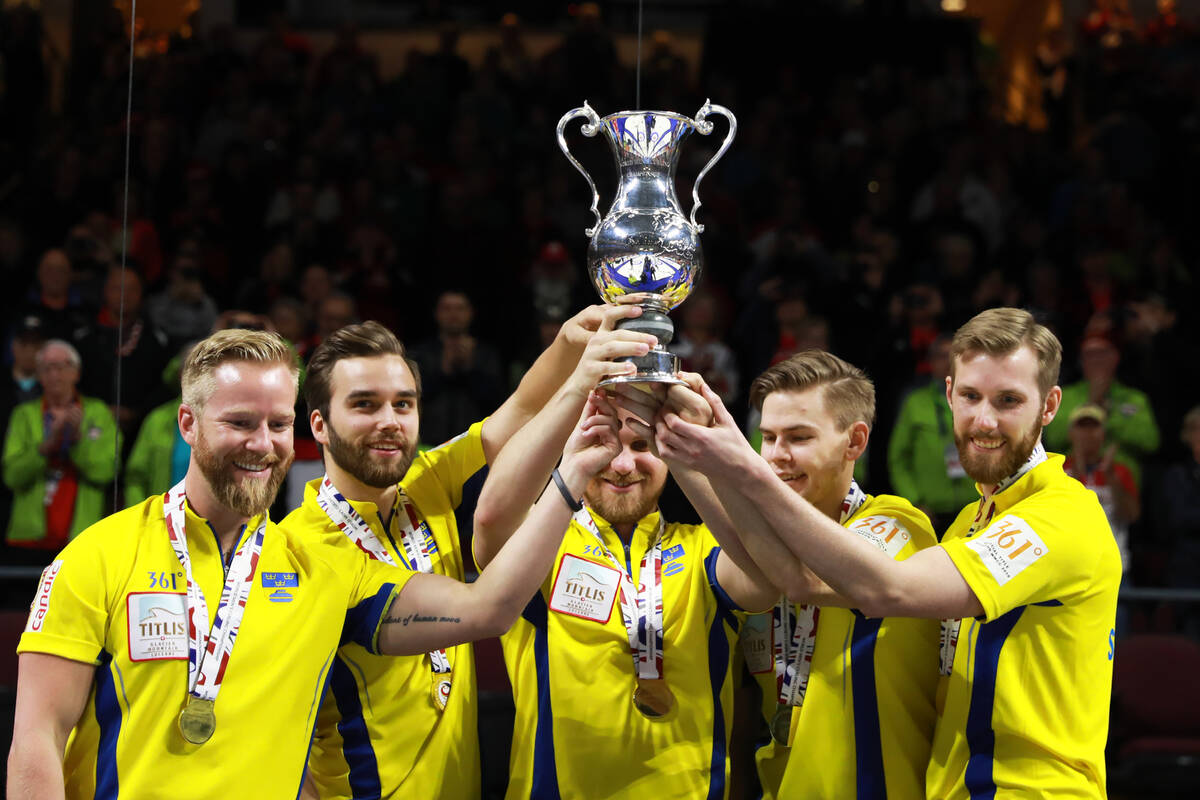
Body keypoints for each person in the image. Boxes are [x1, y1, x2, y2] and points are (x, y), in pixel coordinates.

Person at [7, 328, 623, 799]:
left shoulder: (324, 565)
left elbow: (486, 608)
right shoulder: (98, 556)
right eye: (240, 423)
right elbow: (36, 739)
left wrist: (570, 460)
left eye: (276, 425)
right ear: (188, 425)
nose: (263, 443)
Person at [654, 308, 1120, 798]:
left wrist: (740, 468)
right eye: (970, 396)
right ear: (948, 395)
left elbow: (866, 586)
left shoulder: (1059, 516)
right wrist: (679, 446)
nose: (984, 419)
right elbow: (773, 571)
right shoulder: (970, 521)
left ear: (1049, 407)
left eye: (1008, 400)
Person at [283, 305, 656, 800]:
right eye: (365, 405)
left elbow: (520, 411)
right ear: (320, 425)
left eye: (403, 404)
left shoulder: (425, 481)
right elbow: (489, 610)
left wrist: (568, 344)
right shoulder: (300, 549)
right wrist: (573, 448)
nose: (389, 421)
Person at [635, 353, 938, 799]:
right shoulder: (763, 549)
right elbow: (765, 565)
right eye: (768, 437)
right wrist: (675, 444)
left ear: (854, 442)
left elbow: (805, 579)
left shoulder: (896, 525)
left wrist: (733, 462)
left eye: (798, 438)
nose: (777, 456)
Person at [488, 390, 779, 799]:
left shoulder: (704, 550)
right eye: (601, 442)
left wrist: (684, 452)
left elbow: (764, 582)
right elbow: (489, 529)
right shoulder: (543, 546)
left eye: (643, 445)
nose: (622, 465)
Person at [3, 339, 118, 556]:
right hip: (29, 540)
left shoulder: (98, 413)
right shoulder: (23, 415)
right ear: (38, 376)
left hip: (83, 539)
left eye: (61, 366)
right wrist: (46, 448)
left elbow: (106, 472)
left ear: (77, 372)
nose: (54, 374)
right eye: (46, 368)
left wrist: (77, 443)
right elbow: (11, 476)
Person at [888, 335, 978, 534]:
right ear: (930, 362)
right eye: (941, 356)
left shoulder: (980, 399)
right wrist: (915, 502)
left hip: (978, 508)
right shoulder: (915, 402)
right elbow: (898, 458)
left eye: (954, 356)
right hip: (930, 512)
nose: (947, 362)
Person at [1044, 333, 1159, 480]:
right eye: (1090, 354)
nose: (1097, 360)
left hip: (1122, 479)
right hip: (1073, 477)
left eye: (1103, 353)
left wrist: (1108, 419)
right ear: (1082, 360)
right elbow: (1054, 438)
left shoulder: (1134, 398)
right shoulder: (1064, 395)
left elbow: (1150, 442)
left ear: (1116, 357)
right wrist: (1092, 402)